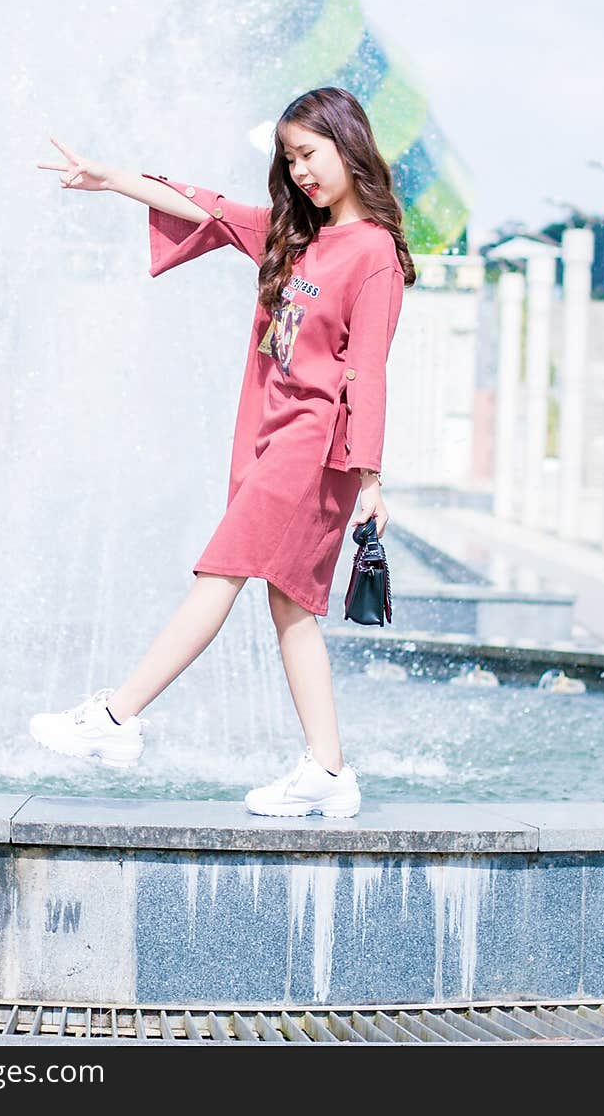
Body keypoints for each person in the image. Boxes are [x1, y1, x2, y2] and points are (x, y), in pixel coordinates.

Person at [30, 86, 415, 817]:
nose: (300, 171)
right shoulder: (297, 237)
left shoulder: (374, 255)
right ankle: (329, 771)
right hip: (274, 438)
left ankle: (116, 719)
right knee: (290, 607)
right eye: (289, 158)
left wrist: (370, 476)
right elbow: (204, 208)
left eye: (310, 153)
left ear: (349, 144)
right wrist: (110, 178)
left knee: (220, 574)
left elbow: (369, 367)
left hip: (313, 450)